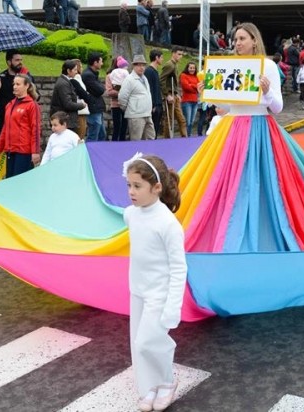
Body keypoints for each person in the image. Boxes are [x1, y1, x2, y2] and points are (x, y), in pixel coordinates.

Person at [123, 153, 185, 412]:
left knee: (147, 341)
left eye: (137, 186)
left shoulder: (168, 224)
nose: (131, 192)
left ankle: (167, 382)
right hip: (137, 290)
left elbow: (179, 268)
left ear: (156, 187)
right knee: (137, 344)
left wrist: (173, 307)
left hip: (159, 293)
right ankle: (149, 386)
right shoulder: (130, 214)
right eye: (128, 185)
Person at [0, 75, 41, 178]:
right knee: (10, 179)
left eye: (18, 84)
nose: (15, 87)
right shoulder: (9, 105)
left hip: (24, 150)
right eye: (14, 84)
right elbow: (5, 128)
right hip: (10, 150)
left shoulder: (32, 105)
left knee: (21, 180)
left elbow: (36, 129)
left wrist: (35, 151)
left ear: (27, 86)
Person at [0, 50, 33, 137]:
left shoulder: (26, 77)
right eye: (17, 60)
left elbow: (35, 95)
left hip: (22, 117)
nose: (20, 62)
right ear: (9, 62)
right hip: (4, 118)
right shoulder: (0, 78)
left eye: (21, 60)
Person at [118, 54, 155, 141]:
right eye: (138, 65)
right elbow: (122, 97)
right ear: (134, 66)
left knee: (151, 138)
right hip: (136, 116)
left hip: (147, 114)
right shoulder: (129, 79)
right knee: (136, 141)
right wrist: (131, 109)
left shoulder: (144, 78)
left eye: (143, 65)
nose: (141, 67)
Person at [50, 60, 86, 138]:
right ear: (68, 71)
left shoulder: (65, 81)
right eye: (75, 70)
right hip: (65, 121)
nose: (76, 72)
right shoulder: (63, 83)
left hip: (66, 120)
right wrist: (81, 105)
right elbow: (67, 104)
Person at [159, 47, 187, 137]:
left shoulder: (175, 65)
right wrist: (167, 95)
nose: (180, 56)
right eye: (179, 54)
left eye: (181, 54)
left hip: (174, 94)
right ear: (173, 54)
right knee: (169, 119)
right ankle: (167, 139)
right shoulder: (169, 65)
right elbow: (162, 80)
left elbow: (174, 82)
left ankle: (184, 137)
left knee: (181, 119)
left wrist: (177, 93)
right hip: (170, 94)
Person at [82, 52, 107, 142]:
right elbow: (100, 90)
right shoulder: (88, 75)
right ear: (95, 63)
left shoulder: (93, 74)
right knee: (93, 135)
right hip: (93, 108)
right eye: (101, 61)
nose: (102, 63)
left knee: (101, 134)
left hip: (97, 108)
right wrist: (101, 88)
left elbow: (100, 88)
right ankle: (89, 155)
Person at [105, 56, 130, 141]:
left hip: (125, 104)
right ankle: (115, 144)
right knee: (117, 127)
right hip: (115, 105)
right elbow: (109, 91)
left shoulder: (126, 75)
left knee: (124, 126)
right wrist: (121, 93)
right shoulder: (109, 76)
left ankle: (122, 144)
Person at [145, 50, 163, 137]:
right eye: (161, 57)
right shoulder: (149, 71)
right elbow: (149, 89)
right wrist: (152, 105)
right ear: (156, 57)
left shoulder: (155, 71)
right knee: (152, 130)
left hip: (158, 103)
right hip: (154, 105)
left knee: (156, 128)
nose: (162, 59)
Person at [179, 61, 199, 136]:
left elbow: (199, 87)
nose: (192, 69)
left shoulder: (196, 76)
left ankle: (189, 135)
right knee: (187, 121)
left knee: (192, 121)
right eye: (190, 68)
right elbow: (186, 87)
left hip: (195, 101)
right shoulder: (183, 75)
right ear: (187, 68)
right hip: (187, 102)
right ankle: (186, 136)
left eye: (193, 68)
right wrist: (195, 86)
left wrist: (191, 85)